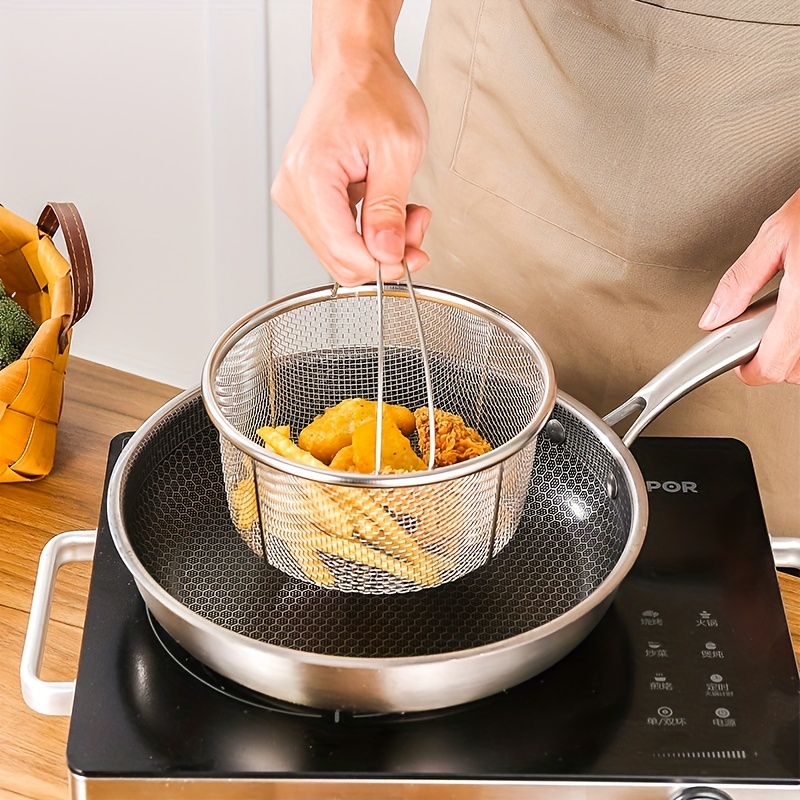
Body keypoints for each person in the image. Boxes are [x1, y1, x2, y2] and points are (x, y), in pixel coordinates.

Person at [271, 0, 800, 536]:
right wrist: (352, 51)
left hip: (769, 241)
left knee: (737, 559)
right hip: (507, 129)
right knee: (420, 521)